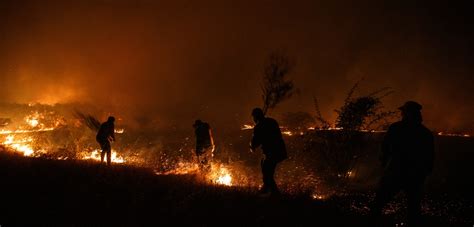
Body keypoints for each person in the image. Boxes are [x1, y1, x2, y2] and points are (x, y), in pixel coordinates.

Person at [370, 101, 434, 225]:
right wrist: (426, 172)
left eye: (403, 111)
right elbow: (429, 155)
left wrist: (383, 163)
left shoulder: (396, 128)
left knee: (380, 201)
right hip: (416, 174)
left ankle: (372, 222)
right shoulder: (425, 133)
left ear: (406, 113)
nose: (402, 114)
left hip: (397, 171)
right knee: (414, 207)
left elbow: (386, 148)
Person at [249, 108, 287, 196]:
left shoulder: (259, 126)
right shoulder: (272, 121)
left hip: (271, 152)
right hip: (280, 150)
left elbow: (255, 142)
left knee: (267, 173)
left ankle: (275, 194)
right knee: (264, 166)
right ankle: (265, 189)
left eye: (253, 117)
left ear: (255, 117)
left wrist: (251, 146)